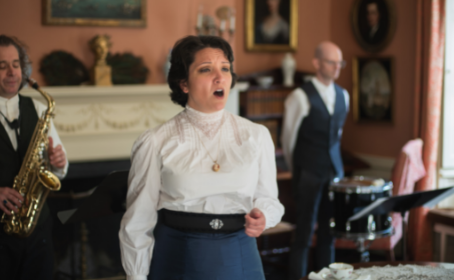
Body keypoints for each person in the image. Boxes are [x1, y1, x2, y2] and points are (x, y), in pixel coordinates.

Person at [119, 35, 284, 280]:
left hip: (240, 254)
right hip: (177, 254)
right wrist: (136, 276)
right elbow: (138, 220)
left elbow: (269, 198)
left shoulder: (256, 136)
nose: (220, 78)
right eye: (206, 69)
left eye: (225, 68)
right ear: (184, 83)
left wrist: (264, 216)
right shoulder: (155, 141)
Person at [0, 35, 68, 280]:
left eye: (16, 64)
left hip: (37, 232)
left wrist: (59, 163)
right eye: (2, 65)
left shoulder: (40, 109)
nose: (12, 72)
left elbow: (59, 169)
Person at [281, 41, 349, 280]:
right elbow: (288, 140)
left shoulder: (344, 96)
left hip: (334, 172)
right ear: (317, 63)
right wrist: (298, 168)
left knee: (328, 233)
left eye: (340, 62)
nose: (337, 67)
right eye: (332, 62)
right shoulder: (300, 97)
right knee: (304, 233)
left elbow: (337, 136)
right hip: (308, 172)